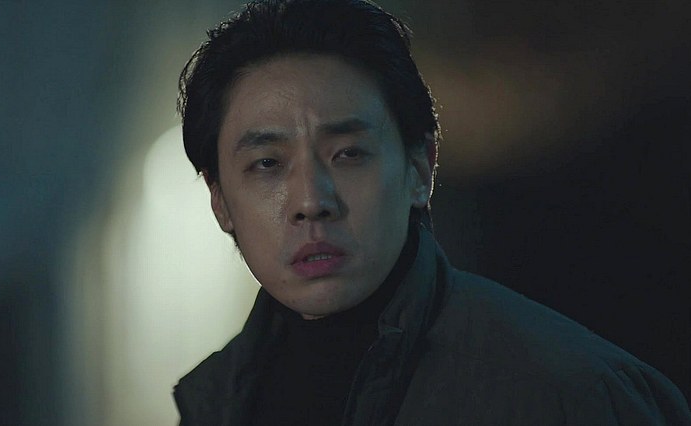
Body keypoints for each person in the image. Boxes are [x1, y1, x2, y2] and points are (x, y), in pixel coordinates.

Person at [172, 0, 691, 424]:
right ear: (220, 201)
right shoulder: (217, 399)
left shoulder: (568, 392)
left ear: (420, 169)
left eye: (348, 154)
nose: (312, 202)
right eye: (267, 163)